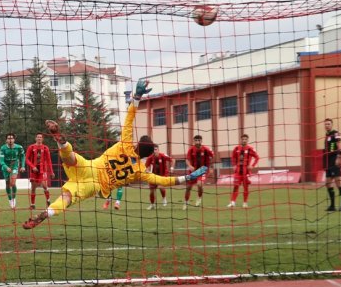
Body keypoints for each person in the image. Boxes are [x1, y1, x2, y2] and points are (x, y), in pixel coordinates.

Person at [23, 80, 207, 230]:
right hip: (95, 185)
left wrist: (137, 96)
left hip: (90, 166)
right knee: (67, 198)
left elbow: (129, 117)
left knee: (69, 157)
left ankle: (60, 141)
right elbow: (163, 180)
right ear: (145, 155)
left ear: (136, 144)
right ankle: (46, 213)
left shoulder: (125, 143)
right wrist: (187, 177)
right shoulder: (140, 170)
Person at [228, 134, 260, 208]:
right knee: (236, 186)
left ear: (247, 140)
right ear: (240, 140)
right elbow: (233, 157)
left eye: (245, 139)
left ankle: (245, 202)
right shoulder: (236, 148)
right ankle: (233, 202)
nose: (244, 140)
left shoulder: (250, 149)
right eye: (243, 139)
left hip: (246, 171)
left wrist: (252, 166)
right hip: (238, 171)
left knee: (246, 187)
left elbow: (257, 157)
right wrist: (234, 165)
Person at [184, 134, 214, 209]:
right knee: (188, 187)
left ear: (201, 141)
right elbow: (187, 160)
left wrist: (211, 167)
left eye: (199, 140)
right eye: (196, 140)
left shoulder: (206, 149)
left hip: (203, 170)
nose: (197, 142)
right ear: (194, 141)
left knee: (199, 184)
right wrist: (190, 166)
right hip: (193, 171)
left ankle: (199, 198)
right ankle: (186, 202)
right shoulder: (191, 149)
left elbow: (212, 157)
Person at [323, 118, 341, 212]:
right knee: (328, 183)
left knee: (339, 182)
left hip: (334, 161)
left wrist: (339, 157)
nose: (327, 125)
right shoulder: (327, 135)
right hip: (328, 162)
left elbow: (339, 146)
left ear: (331, 125)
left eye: (328, 124)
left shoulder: (335, 133)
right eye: (325, 124)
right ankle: (332, 205)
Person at [25, 133, 53, 209]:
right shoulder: (31, 147)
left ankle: (48, 200)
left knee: (44, 186)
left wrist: (51, 171)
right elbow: (26, 159)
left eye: (40, 137)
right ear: (35, 138)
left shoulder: (45, 148)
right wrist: (32, 166)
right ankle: (32, 205)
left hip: (42, 170)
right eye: (38, 137)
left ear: (42, 139)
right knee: (33, 187)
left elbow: (49, 160)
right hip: (33, 171)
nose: (39, 138)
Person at [0, 133, 25, 209]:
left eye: (11, 138)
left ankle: (13, 199)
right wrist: (6, 167)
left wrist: (23, 166)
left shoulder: (19, 147)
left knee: (12, 183)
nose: (10, 140)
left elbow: (23, 156)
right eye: (8, 138)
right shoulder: (3, 148)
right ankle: (10, 199)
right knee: (7, 184)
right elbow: (1, 161)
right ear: (6, 140)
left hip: (15, 166)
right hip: (5, 167)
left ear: (14, 139)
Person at [145, 144, 175, 209]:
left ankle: (164, 198)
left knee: (161, 187)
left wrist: (172, 168)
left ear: (158, 150)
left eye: (155, 149)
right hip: (153, 175)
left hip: (163, 174)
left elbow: (172, 160)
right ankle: (152, 205)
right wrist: (147, 171)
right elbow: (146, 167)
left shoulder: (163, 155)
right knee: (152, 191)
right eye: (153, 150)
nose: (154, 151)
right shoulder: (150, 158)